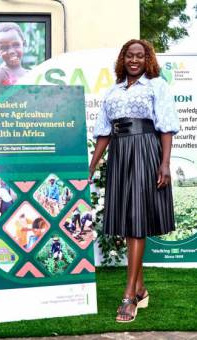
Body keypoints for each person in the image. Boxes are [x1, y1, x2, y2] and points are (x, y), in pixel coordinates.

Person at [89, 39, 179, 323]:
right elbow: (104, 132)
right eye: (130, 55)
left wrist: (164, 164)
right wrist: (91, 166)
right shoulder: (113, 91)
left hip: (145, 151)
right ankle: (140, 288)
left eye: (140, 56)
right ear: (123, 58)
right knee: (128, 221)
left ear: (147, 59)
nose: (135, 60)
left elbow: (166, 127)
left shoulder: (157, 86)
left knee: (137, 220)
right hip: (120, 154)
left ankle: (129, 296)